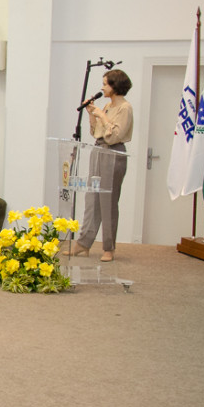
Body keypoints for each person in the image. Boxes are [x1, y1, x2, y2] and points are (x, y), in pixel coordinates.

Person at [67, 69, 133, 262]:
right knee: (92, 197)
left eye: (105, 84)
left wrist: (102, 116)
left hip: (113, 153)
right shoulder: (107, 106)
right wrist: (92, 114)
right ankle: (84, 243)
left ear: (115, 86)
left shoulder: (124, 108)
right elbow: (97, 132)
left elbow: (116, 135)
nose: (102, 88)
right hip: (99, 149)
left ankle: (108, 247)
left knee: (108, 200)